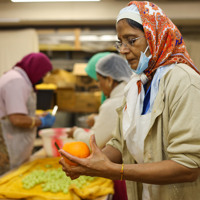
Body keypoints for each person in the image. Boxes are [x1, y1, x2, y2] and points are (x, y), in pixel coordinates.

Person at [59, 1, 200, 200]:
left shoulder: (184, 83)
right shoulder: (136, 85)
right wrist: (89, 164)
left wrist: (116, 171)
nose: (123, 50)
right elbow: (119, 143)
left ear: (154, 37)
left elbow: (188, 166)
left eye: (131, 40)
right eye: (120, 42)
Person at [0, 52, 56, 175]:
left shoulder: (20, 79)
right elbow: (16, 119)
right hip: (8, 144)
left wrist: (37, 116)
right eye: (42, 74)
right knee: (6, 180)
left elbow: (17, 111)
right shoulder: (16, 82)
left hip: (14, 142)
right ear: (36, 69)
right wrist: (40, 122)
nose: (42, 78)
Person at [66, 53, 132, 149]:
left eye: (98, 80)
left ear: (109, 80)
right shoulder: (130, 93)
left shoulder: (112, 104)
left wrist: (76, 132)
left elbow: (93, 143)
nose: (98, 85)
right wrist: (98, 119)